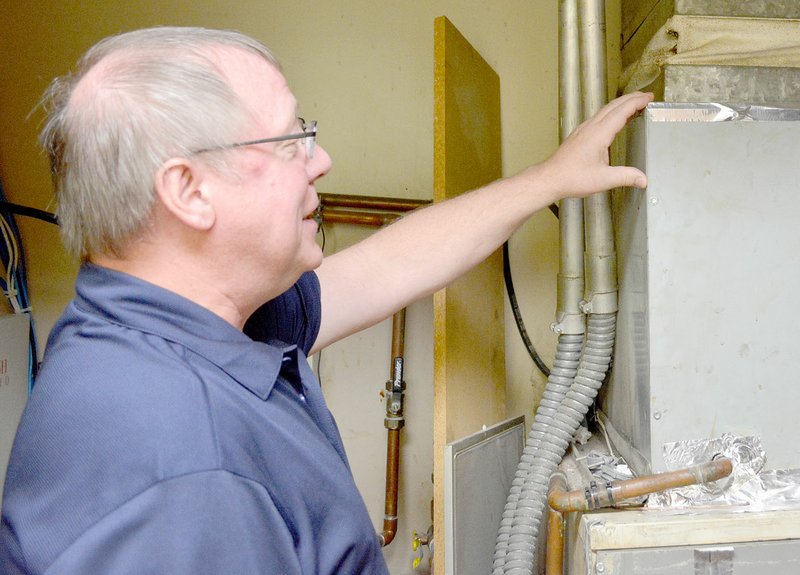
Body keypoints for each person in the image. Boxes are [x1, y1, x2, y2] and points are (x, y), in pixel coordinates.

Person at [0, 26, 652, 575]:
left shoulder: (199, 317)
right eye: (290, 139)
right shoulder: (181, 475)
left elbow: (382, 269)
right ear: (189, 191)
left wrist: (549, 178)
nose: (320, 160)